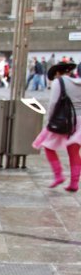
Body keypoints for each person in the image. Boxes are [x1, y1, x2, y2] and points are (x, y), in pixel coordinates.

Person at [32, 62, 81, 192]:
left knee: (47, 145)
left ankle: (58, 175)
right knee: (74, 151)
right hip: (80, 121)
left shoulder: (58, 82)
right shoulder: (78, 82)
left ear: (57, 73)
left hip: (64, 119)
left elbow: (53, 103)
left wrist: (50, 120)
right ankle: (74, 183)